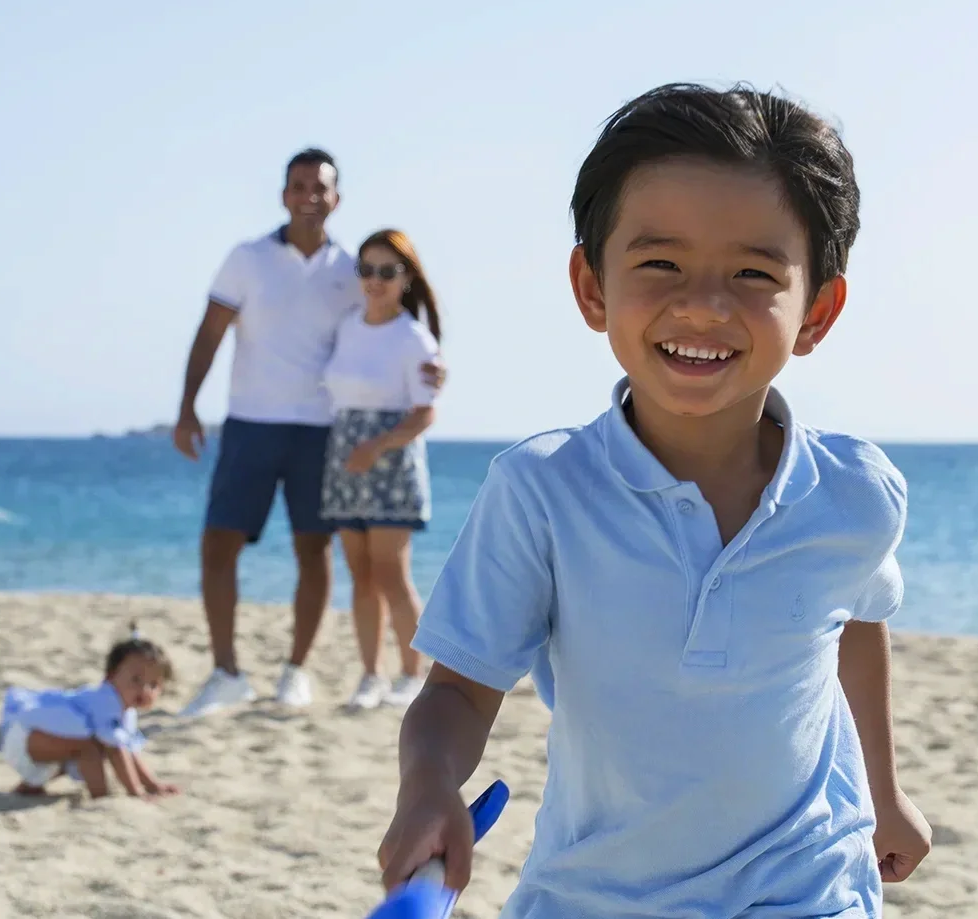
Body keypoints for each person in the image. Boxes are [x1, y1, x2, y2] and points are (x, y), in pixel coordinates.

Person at [377, 83, 932, 918]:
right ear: (593, 286)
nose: (704, 304)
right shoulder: (543, 492)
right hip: (593, 895)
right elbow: (459, 691)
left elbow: (856, 620)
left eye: (753, 272)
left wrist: (885, 792)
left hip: (807, 890)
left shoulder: (855, 492)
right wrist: (426, 787)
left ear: (816, 309)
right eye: (660, 263)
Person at [173, 150, 444, 715]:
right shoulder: (246, 259)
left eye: (319, 188)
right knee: (217, 543)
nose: (308, 196)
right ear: (283, 194)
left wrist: (433, 370)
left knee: (312, 550)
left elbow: (391, 321)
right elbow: (210, 332)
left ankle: (296, 672)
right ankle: (225, 673)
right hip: (250, 422)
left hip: (322, 432)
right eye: (298, 186)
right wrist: (187, 406)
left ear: (336, 198)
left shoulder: (352, 270)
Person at [319, 229, 442, 710]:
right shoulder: (347, 325)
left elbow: (425, 410)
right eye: (366, 270)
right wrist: (357, 450)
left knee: (392, 573)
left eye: (386, 271)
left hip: (390, 460)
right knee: (361, 575)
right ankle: (371, 675)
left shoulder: (414, 337)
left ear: (405, 277)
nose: (374, 280)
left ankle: (412, 674)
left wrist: (379, 446)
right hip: (345, 457)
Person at [0, 623, 179, 799]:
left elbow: (129, 750)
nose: (144, 690)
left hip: (35, 744)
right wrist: (136, 792)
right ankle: (100, 796)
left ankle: (30, 785)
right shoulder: (106, 701)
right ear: (110, 676)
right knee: (89, 749)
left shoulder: (125, 711)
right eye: (136, 680)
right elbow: (117, 751)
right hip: (24, 739)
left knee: (84, 745)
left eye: (153, 685)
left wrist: (153, 785)